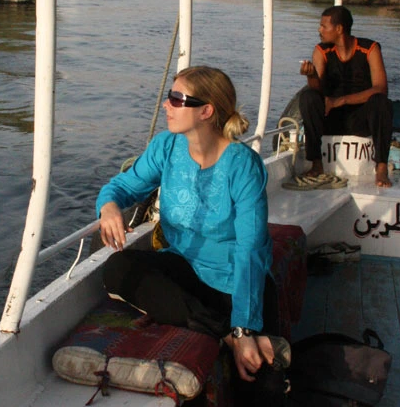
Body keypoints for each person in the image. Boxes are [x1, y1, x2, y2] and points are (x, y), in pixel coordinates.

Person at [96, 65, 289, 392]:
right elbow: (123, 186)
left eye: (176, 99)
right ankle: (223, 333)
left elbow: (251, 250)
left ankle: (232, 332)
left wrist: (245, 327)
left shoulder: (242, 165)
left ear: (206, 111)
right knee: (118, 269)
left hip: (234, 280)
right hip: (184, 267)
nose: (165, 105)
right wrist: (109, 206)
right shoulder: (166, 148)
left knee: (262, 384)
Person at [299, 5, 393, 187]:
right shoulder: (321, 51)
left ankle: (381, 168)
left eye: (323, 26)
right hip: (332, 118)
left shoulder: (370, 49)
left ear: (339, 29)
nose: (319, 30)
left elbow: (381, 88)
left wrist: (340, 101)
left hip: (360, 119)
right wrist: (311, 76)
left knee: (381, 102)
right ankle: (316, 163)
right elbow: (317, 91)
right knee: (308, 96)